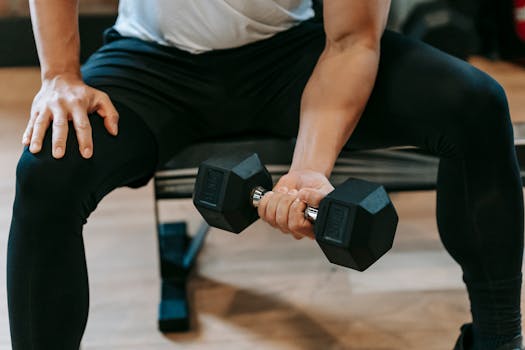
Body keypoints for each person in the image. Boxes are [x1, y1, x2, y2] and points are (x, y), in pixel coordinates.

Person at [6, 0, 523, 349]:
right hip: (150, 64)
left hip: (290, 56)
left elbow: (352, 41)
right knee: (46, 174)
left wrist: (308, 170)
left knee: (473, 104)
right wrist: (59, 74)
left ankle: (499, 336)